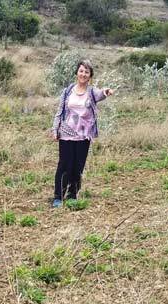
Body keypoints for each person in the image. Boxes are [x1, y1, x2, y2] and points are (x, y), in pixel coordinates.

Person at [48, 60, 113, 208]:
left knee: (78, 167)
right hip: (66, 133)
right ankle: (58, 196)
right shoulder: (67, 91)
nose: (83, 74)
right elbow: (60, 112)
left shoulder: (91, 92)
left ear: (90, 76)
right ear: (77, 73)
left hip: (84, 136)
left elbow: (101, 94)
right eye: (81, 71)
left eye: (87, 72)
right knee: (64, 165)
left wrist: (106, 91)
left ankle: (72, 195)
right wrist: (54, 129)